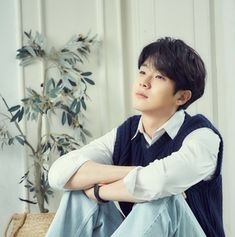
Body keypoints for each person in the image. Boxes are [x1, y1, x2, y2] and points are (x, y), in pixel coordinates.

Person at [46, 37, 225, 237]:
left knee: (163, 197)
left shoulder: (202, 136)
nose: (144, 82)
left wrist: (99, 191)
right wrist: (135, 171)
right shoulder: (127, 133)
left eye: (159, 77)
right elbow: (59, 173)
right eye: (142, 71)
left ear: (182, 97)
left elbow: (158, 183)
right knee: (78, 193)